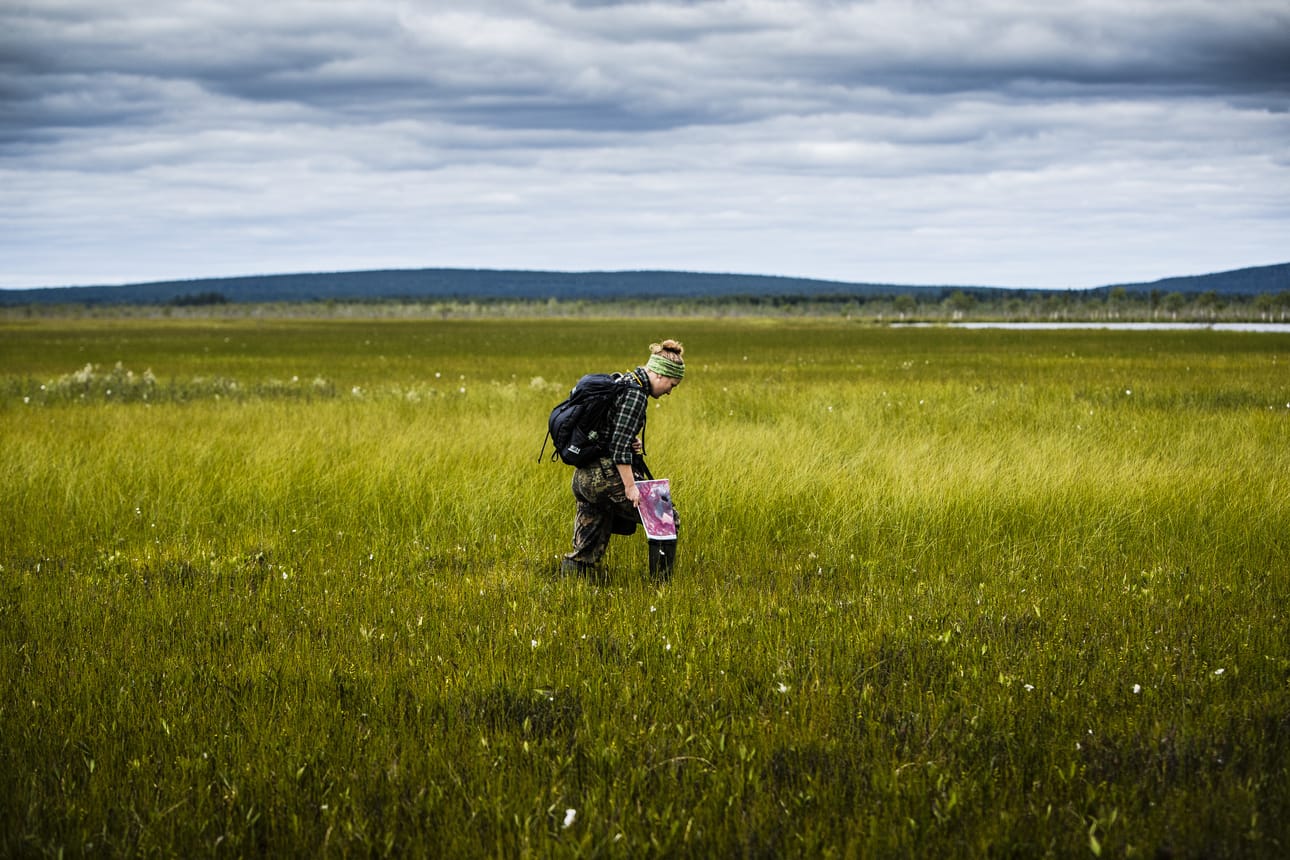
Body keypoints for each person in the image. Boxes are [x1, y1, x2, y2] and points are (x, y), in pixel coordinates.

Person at [561, 339, 685, 577]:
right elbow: (618, 446)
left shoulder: (623, 381)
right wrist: (630, 487)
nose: (670, 391)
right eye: (672, 384)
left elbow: (612, 431)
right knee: (667, 520)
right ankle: (660, 588)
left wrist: (631, 441)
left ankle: (570, 584)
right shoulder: (636, 395)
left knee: (590, 538)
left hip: (584, 477)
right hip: (606, 477)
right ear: (659, 375)